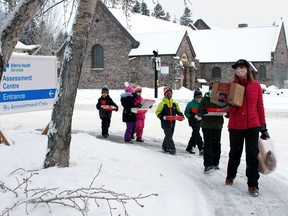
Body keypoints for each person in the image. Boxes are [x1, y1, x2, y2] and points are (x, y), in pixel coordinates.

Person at [225, 59, 270, 197]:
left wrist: (263, 127)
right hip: (236, 125)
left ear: (248, 69)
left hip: (253, 125)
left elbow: (260, 107)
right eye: (238, 68)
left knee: (252, 155)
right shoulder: (231, 86)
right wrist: (227, 106)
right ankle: (230, 176)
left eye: (242, 67)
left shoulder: (255, 86)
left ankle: (253, 185)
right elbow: (229, 109)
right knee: (235, 153)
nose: (240, 70)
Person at [196, 82, 225, 173]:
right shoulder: (205, 99)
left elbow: (227, 110)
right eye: (212, 88)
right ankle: (208, 164)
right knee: (208, 145)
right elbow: (199, 112)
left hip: (218, 125)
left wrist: (227, 112)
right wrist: (203, 111)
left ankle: (216, 163)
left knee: (217, 145)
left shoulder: (221, 99)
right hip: (207, 125)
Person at [155, 86, 184, 155]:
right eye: (167, 93)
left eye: (170, 93)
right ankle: (171, 148)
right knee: (168, 136)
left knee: (169, 135)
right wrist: (161, 116)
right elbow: (157, 112)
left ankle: (164, 146)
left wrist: (181, 115)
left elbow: (178, 111)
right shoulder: (162, 103)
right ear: (165, 94)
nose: (169, 95)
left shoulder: (174, 103)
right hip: (165, 122)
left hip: (173, 122)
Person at [184, 88, 204, 155]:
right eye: (197, 97)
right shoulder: (190, 104)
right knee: (197, 133)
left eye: (200, 97)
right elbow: (186, 112)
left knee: (194, 134)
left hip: (199, 121)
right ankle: (201, 148)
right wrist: (190, 117)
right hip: (193, 121)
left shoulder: (203, 104)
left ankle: (189, 147)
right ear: (194, 97)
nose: (199, 98)